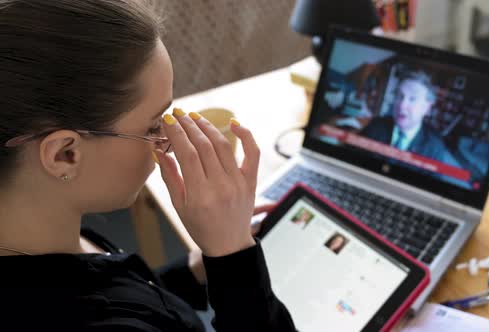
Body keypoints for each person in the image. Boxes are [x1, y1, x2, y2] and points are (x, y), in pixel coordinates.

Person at [0, 1, 295, 331]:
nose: (165, 142)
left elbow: (128, 294)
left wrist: (193, 271)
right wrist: (233, 260)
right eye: (154, 127)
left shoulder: (43, 234)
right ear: (64, 154)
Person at [360, 70, 458, 166]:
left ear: (426, 108)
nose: (402, 105)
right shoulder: (375, 125)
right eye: (400, 96)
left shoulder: (434, 148)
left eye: (412, 99)